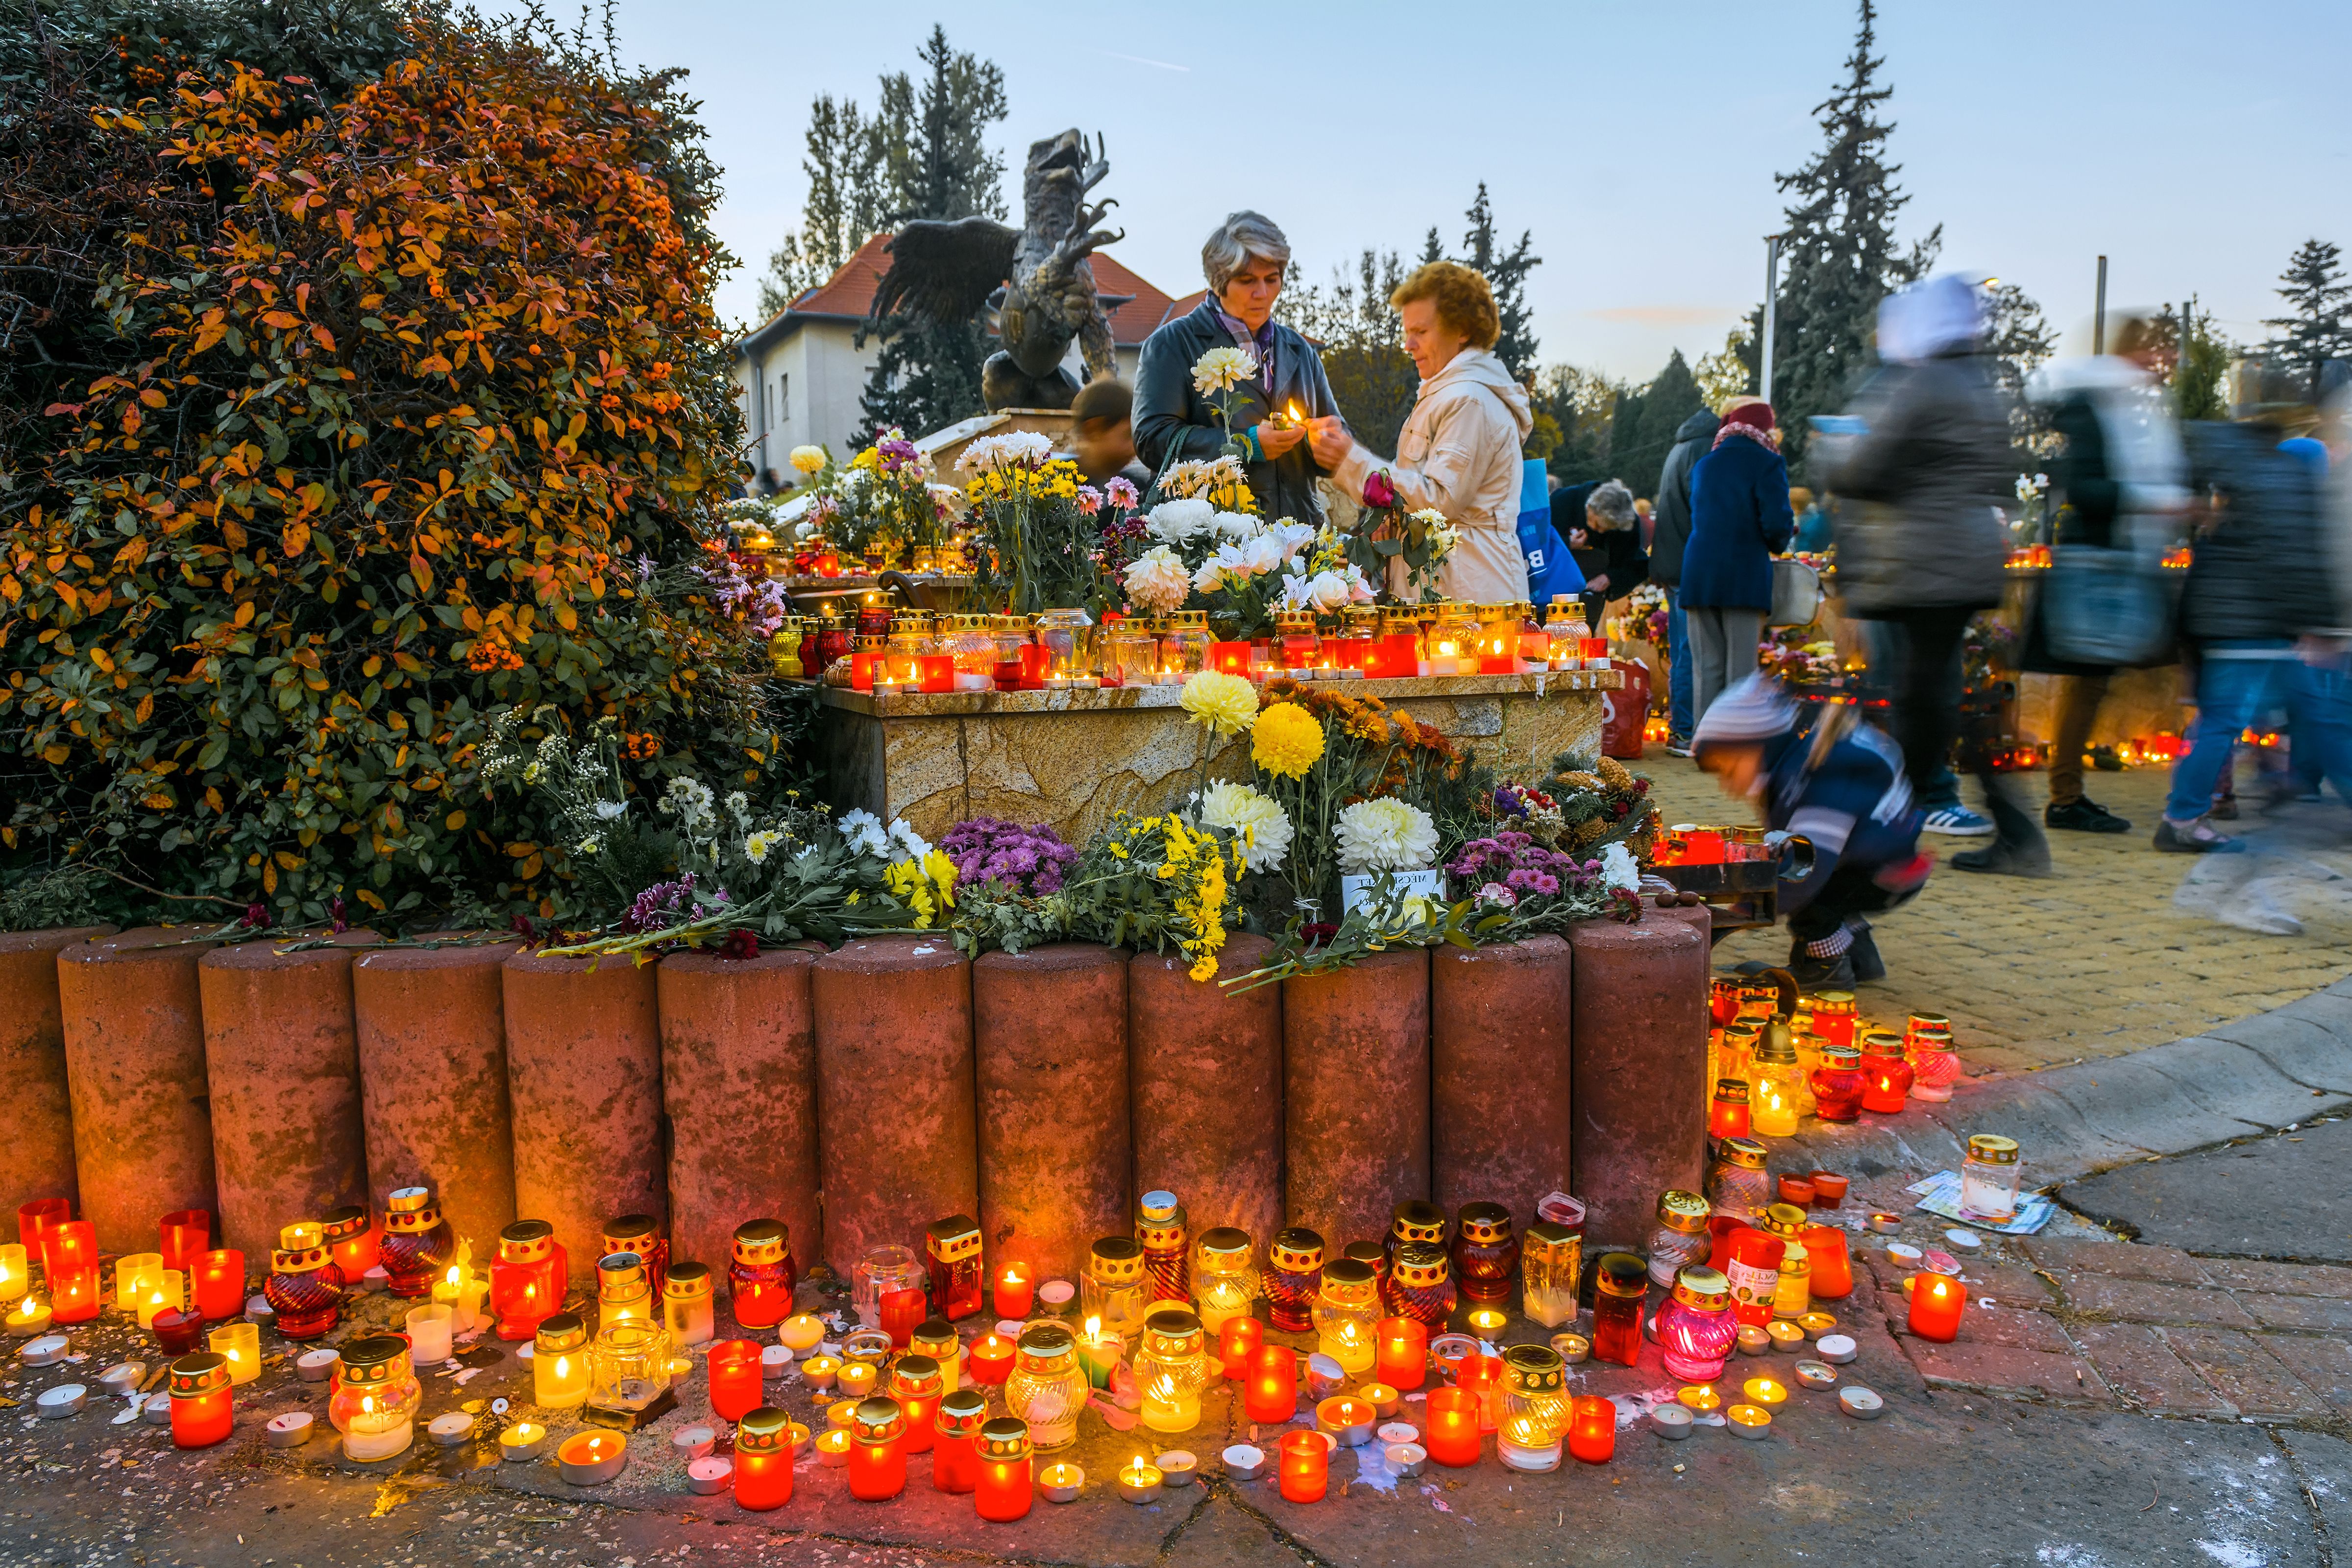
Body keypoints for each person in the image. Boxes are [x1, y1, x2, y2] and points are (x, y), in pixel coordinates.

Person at [1821, 275, 2046, 876]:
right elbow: (1998, 473)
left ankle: (1889, 835)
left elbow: (1868, 468)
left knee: (1923, 703)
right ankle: (2008, 828)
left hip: (1923, 564)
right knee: (1945, 698)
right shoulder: (1980, 384)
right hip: (1964, 556)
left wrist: (1835, 451)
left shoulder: (1925, 384)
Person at [2021, 314, 2191, 835]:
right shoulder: (2095, 408)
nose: (2156, 362)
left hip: (2119, 558)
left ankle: (2069, 789)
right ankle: (2066, 794)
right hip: (2101, 562)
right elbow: (2086, 490)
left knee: (2093, 681)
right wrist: (2159, 502)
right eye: (2149, 350)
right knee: (2088, 679)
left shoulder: (2120, 406)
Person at [2156, 418, 2349, 850]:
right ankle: (2184, 816)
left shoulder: (2244, 474)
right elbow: (2297, 556)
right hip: (2257, 625)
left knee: (2234, 720)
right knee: (2315, 718)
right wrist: (2321, 625)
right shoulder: (2286, 477)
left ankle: (2191, 812)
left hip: (2231, 623)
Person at [1691, 676, 1932, 989]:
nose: (1729, 786)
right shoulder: (1795, 768)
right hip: (1868, 862)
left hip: (1887, 872)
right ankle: (1860, 958)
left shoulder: (1825, 775)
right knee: (1811, 883)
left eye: (1730, 768)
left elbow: (1808, 866)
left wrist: (1745, 911)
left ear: (1757, 746)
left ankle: (1824, 968)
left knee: (1802, 885)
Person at [1322, 262, 1534, 602]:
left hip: (1470, 596)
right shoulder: (1449, 395)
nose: (1408, 345)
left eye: (1421, 331)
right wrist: (1391, 520)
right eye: (1407, 332)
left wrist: (1349, 460)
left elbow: (1440, 500)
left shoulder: (1470, 400)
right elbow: (1423, 497)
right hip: (1451, 587)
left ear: (1462, 330)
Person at [1134, 211, 1343, 523]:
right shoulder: (1172, 344)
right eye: (1247, 281)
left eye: (1272, 279)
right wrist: (1247, 445)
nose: (1263, 293)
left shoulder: (1300, 350)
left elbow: (1335, 429)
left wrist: (1331, 446)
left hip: (1299, 543)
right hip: (1213, 544)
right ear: (1219, 282)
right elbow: (1151, 440)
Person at [1680, 398, 1794, 723]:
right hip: (1744, 573)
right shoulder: (1767, 462)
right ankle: (1735, 742)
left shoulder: (1705, 463)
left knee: (1707, 667)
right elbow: (1776, 523)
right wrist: (1779, 541)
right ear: (1764, 427)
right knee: (1741, 669)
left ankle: (1707, 744)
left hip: (1699, 573)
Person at [1651, 407, 1720, 752]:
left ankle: (1682, 729)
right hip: (1688, 565)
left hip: (1670, 561)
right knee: (1692, 651)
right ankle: (1689, 730)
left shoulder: (1680, 448)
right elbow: (1705, 506)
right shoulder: (1704, 449)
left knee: (1683, 651)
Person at [1568, 478, 1647, 632]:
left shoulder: (1627, 523)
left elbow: (1638, 564)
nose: (1599, 531)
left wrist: (1610, 577)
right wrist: (1566, 543)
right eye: (1596, 524)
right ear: (1590, 507)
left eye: (1607, 529)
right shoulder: (1566, 501)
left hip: (1591, 598)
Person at [1064, 376, 1153, 490]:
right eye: (1127, 435)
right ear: (1092, 430)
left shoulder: (1134, 490)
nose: (1134, 448)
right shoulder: (1052, 484)